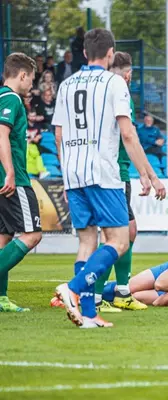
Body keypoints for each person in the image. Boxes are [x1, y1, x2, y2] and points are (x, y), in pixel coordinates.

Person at [52, 28, 165, 329]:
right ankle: (74, 289)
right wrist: (148, 175)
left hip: (73, 173)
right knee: (119, 241)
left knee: (87, 242)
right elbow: (128, 133)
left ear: (85, 53)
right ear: (111, 53)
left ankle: (89, 314)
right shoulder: (115, 83)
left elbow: (59, 135)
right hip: (103, 173)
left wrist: (66, 176)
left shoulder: (66, 85)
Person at [90, 51, 165, 313]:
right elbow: (129, 136)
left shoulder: (99, 93)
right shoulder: (120, 93)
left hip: (105, 171)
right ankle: (94, 296)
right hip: (114, 174)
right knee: (115, 236)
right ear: (128, 73)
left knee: (126, 232)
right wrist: (149, 175)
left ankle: (121, 292)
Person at [0, 53, 43, 312]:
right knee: (33, 234)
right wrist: (10, 172)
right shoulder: (12, 99)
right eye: (32, 79)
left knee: (4, 237)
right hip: (12, 179)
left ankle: (1, 298)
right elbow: (1, 134)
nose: (31, 85)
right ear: (23, 75)